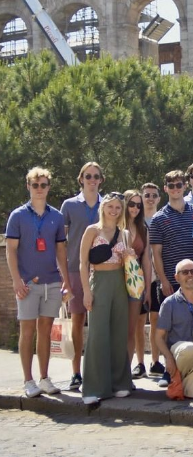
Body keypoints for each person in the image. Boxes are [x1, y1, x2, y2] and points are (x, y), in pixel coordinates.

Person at [6, 167, 71, 398]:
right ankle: (28, 380)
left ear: (49, 187)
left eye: (43, 185)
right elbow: (11, 251)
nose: (40, 189)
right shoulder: (18, 216)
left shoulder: (56, 216)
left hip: (52, 283)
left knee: (45, 331)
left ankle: (44, 378)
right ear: (28, 187)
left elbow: (61, 251)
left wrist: (67, 282)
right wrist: (16, 281)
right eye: (35, 185)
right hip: (27, 285)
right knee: (27, 331)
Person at [79, 192, 134, 405]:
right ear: (103, 208)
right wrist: (86, 290)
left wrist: (130, 256)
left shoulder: (125, 234)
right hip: (99, 281)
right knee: (97, 333)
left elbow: (128, 264)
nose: (114, 211)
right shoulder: (92, 230)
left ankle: (119, 382)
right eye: (110, 206)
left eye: (118, 207)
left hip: (120, 281)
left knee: (119, 332)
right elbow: (83, 263)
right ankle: (93, 386)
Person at [60, 161, 104, 391]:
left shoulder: (107, 205)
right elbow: (60, 242)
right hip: (76, 272)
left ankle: (96, 371)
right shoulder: (68, 206)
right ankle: (76, 372)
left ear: (101, 180)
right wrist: (63, 276)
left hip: (103, 271)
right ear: (81, 179)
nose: (92, 180)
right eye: (88, 176)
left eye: (96, 176)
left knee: (99, 323)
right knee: (78, 321)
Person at [154, 259, 193, 389]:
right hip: (180, 355)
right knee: (189, 349)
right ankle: (174, 375)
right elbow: (159, 337)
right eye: (185, 272)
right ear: (177, 278)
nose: (190, 275)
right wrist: (168, 359)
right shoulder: (169, 303)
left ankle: (186, 382)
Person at [149, 171, 193, 306]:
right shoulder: (158, 218)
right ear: (165, 188)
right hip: (172, 282)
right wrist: (163, 281)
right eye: (171, 185)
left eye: (179, 184)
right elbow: (156, 254)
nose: (175, 188)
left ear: (185, 186)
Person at [123, 190, 152, 371]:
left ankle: (126, 371)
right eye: (132, 204)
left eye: (138, 205)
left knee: (131, 330)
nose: (135, 208)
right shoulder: (116, 226)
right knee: (117, 329)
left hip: (136, 284)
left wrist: (148, 289)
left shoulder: (143, 227)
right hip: (115, 281)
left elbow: (147, 260)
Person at [139, 182, 164, 378]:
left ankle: (156, 361)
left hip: (157, 276)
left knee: (155, 319)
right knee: (138, 322)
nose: (150, 198)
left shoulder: (161, 218)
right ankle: (139, 362)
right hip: (137, 277)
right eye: (146, 195)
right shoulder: (135, 220)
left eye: (153, 195)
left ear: (158, 198)